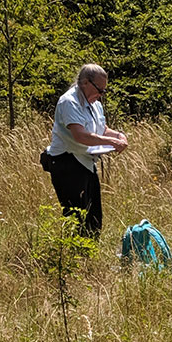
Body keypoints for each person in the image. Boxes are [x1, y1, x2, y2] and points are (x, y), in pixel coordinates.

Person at [43, 64, 127, 237]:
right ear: (85, 82)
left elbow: (101, 129)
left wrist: (119, 135)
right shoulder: (69, 102)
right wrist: (110, 141)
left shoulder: (95, 104)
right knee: (76, 217)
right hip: (67, 163)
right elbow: (80, 135)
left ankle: (89, 259)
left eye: (104, 90)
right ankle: (73, 258)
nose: (102, 95)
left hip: (86, 162)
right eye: (99, 89)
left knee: (93, 217)